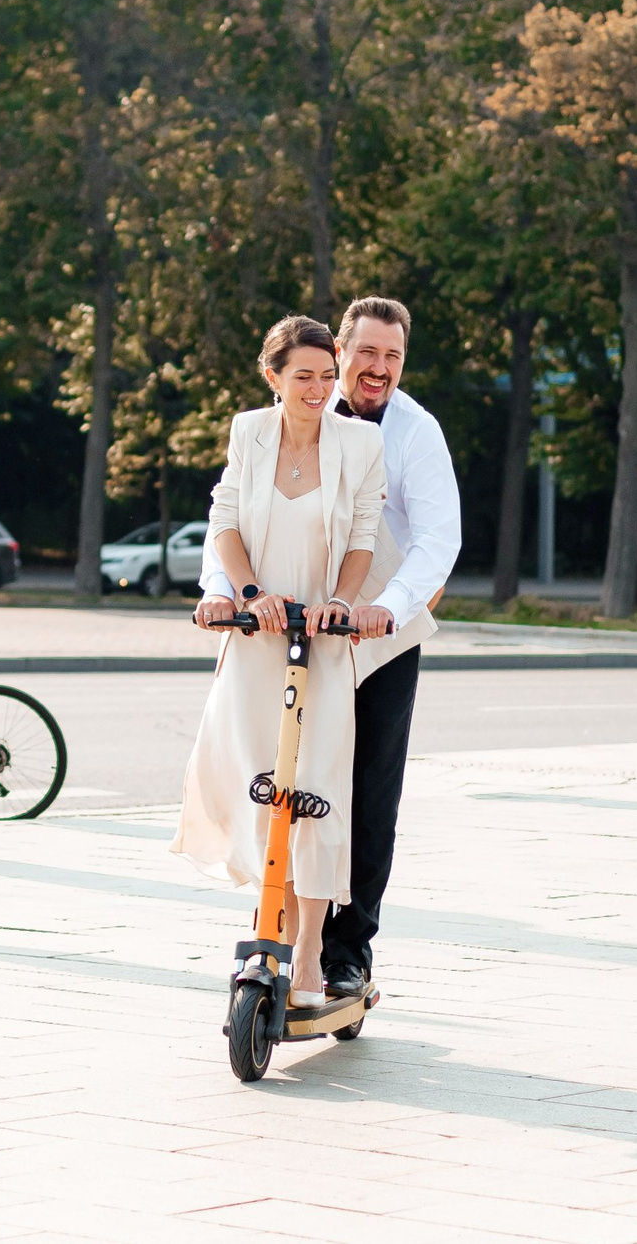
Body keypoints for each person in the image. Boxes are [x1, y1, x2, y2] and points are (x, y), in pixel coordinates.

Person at [177, 315, 390, 1008]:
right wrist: (244, 594)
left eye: (328, 375)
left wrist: (340, 600)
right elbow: (227, 518)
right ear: (273, 377)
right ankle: (264, 928)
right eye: (304, 376)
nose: (320, 388)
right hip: (256, 638)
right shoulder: (250, 432)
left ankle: (304, 959)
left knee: (318, 787)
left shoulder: (360, 441)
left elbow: (362, 533)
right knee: (264, 787)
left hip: (321, 642)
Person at [316, 295, 460, 1003]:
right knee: (299, 778)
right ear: (341, 349)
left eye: (393, 357)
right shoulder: (302, 407)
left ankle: (350, 948)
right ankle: (289, 926)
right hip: (306, 621)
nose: (379, 369)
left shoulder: (417, 430)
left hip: (383, 628)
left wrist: (387, 608)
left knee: (372, 790)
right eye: (367, 352)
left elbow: (439, 539)